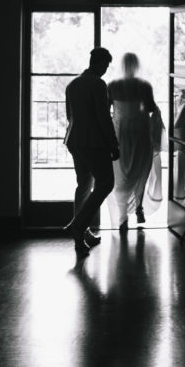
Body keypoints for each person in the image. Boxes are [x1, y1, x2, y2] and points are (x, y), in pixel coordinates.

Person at [62, 47, 120, 257]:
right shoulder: (98, 84)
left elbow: (69, 115)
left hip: (74, 140)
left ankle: (81, 233)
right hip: (93, 142)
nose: (105, 70)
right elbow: (103, 117)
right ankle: (78, 225)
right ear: (100, 62)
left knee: (84, 185)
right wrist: (113, 144)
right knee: (106, 183)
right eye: (106, 65)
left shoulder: (73, 84)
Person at [107, 52, 165, 232]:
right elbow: (150, 107)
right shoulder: (144, 86)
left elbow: (106, 110)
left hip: (120, 134)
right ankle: (139, 205)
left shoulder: (112, 86)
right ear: (137, 66)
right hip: (140, 133)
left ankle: (122, 217)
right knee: (140, 170)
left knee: (121, 174)